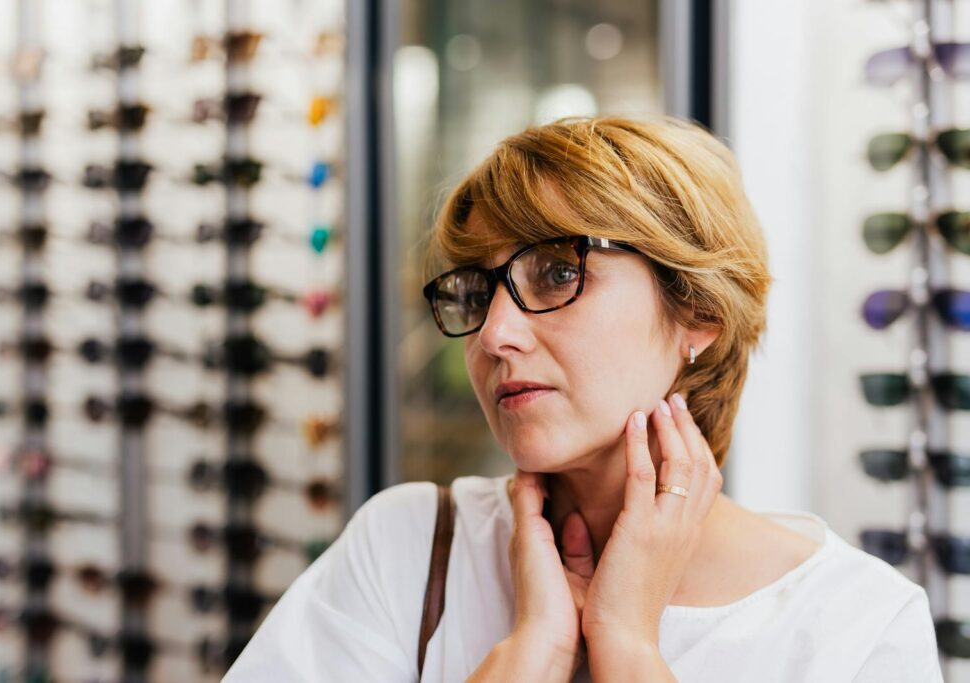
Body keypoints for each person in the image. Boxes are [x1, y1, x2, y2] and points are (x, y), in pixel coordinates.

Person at [223, 115, 942, 681]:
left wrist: (627, 645)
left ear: (698, 310)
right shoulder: (410, 547)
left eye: (557, 271)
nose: (495, 333)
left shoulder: (855, 626)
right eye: (475, 290)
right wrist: (530, 652)